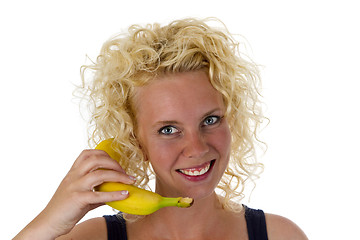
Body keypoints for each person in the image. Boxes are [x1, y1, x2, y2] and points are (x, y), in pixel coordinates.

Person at [14, 18, 307, 240]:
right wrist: (50, 222)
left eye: (210, 120)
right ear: (134, 140)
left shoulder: (280, 235)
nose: (197, 148)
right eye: (168, 129)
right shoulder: (93, 238)